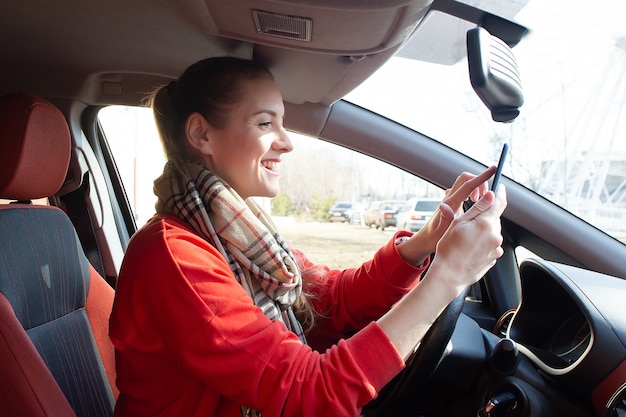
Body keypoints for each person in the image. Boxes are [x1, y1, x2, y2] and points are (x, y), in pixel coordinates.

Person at [109, 56, 506, 417]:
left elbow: (327, 299)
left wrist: (428, 239)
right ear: (202, 134)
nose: (287, 141)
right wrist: (448, 277)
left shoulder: (239, 236)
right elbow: (309, 392)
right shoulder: (173, 256)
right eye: (266, 123)